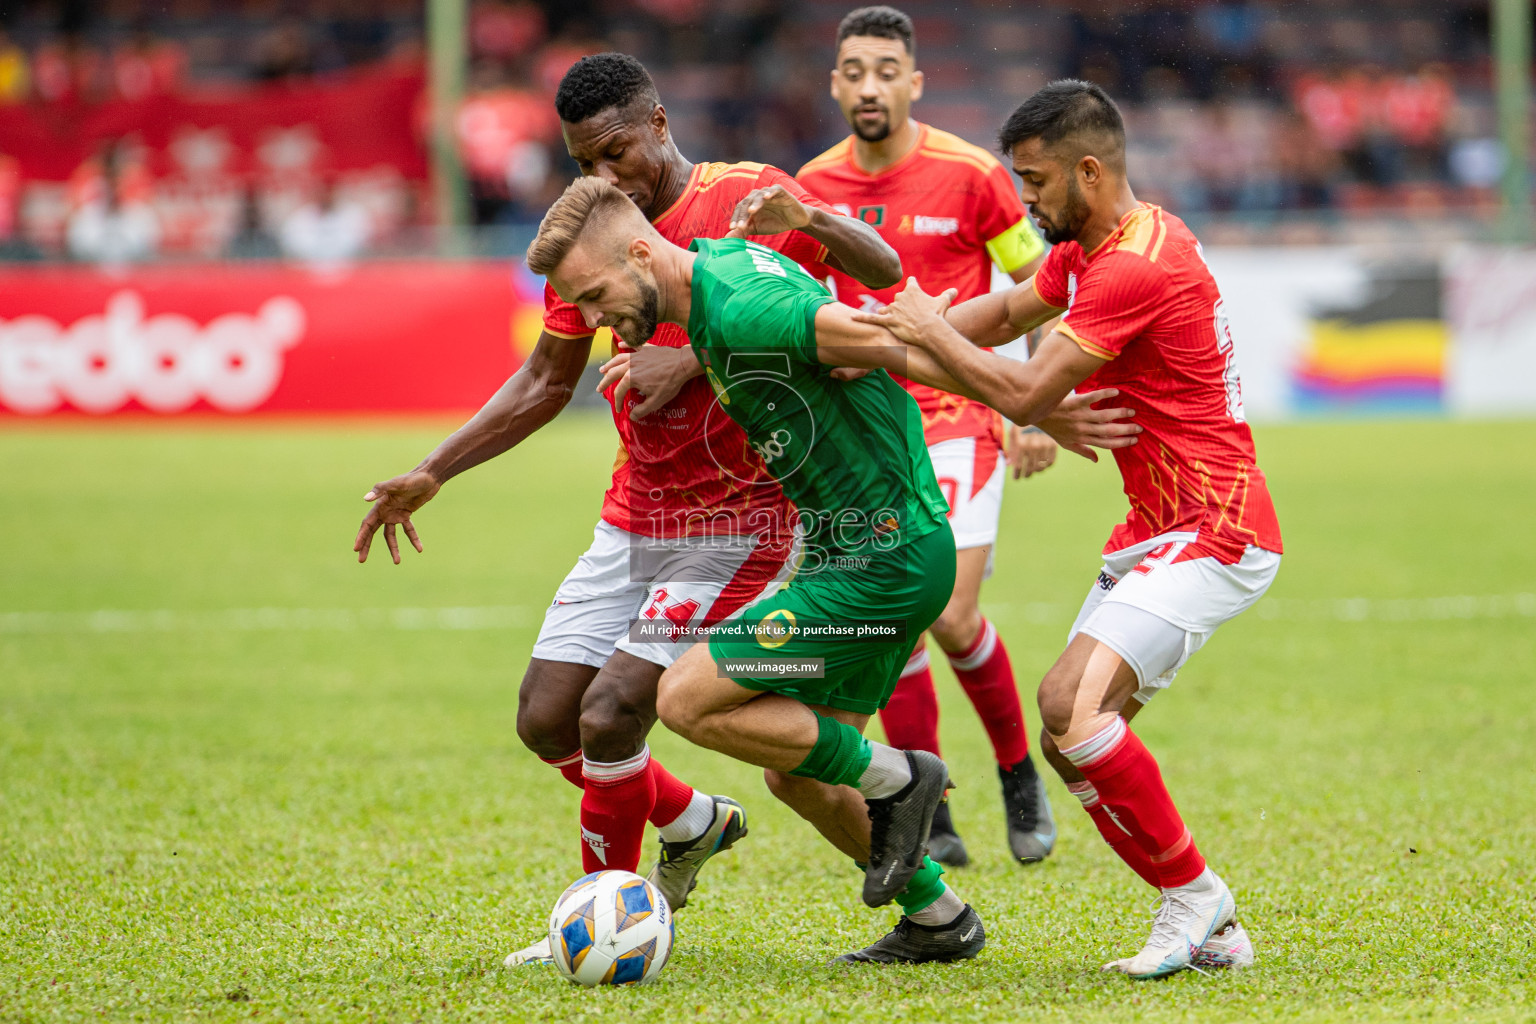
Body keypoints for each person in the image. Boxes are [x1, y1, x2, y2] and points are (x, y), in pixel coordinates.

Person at [352, 52, 902, 968]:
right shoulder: (594, 229)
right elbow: (544, 378)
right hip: (638, 510)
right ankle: (690, 821)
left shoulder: (749, 198)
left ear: (657, 123)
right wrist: (432, 471)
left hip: (742, 517)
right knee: (545, 720)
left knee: (612, 715)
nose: (605, 178)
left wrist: (691, 358)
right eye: (584, 163)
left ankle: (607, 912)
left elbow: (844, 310)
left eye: (616, 154)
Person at [528, 177, 1138, 963]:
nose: (587, 318)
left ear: (641, 253)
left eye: (593, 293)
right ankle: (938, 918)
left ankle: (899, 776)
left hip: (880, 566)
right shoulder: (721, 274)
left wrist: (1028, 401)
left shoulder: (744, 303)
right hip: (861, 559)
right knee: (800, 772)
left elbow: (896, 342)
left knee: (684, 696)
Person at [855, 79, 1283, 979]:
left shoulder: (1135, 264)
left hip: (1218, 527)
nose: (1029, 201)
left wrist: (926, 328)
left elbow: (1022, 391)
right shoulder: (1096, 247)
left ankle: (1198, 906)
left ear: (1089, 171)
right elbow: (1008, 315)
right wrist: (885, 348)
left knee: (1078, 714)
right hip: (1161, 527)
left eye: (1039, 182)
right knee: (1066, 726)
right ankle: (1208, 922)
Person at [797, 5, 1075, 866]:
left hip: (959, 415)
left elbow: (1042, 280)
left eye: (888, 70)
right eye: (855, 70)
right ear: (836, 81)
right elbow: (799, 310)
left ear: (915, 82)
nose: (871, 86)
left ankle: (1018, 770)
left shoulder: (973, 175)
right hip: (867, 439)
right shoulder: (811, 188)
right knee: (901, 626)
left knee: (951, 614)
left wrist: (1027, 407)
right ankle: (935, 808)